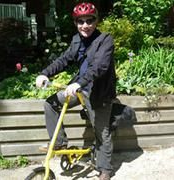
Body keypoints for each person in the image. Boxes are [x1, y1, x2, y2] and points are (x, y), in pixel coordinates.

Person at [36, 2, 116, 180]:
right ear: (75, 23)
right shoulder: (77, 40)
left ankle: (105, 169)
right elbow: (64, 59)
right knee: (50, 104)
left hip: (98, 92)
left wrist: (79, 82)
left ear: (96, 21)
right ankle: (58, 143)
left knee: (101, 132)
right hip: (79, 89)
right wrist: (44, 74)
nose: (85, 25)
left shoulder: (105, 39)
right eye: (80, 21)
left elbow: (100, 67)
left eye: (90, 20)